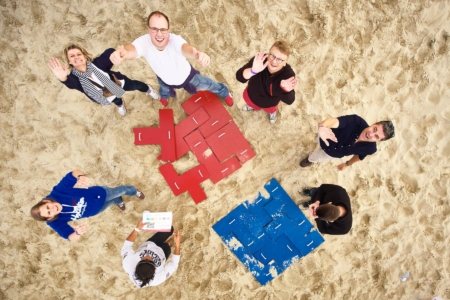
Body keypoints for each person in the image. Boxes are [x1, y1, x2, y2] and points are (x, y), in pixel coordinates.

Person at [109, 11, 233, 107]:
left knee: (209, 85)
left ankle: (225, 92)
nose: (159, 34)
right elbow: (133, 49)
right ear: (148, 29)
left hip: (189, 78)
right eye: (154, 29)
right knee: (163, 90)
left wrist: (196, 54)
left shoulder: (175, 40)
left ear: (168, 30)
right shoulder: (144, 42)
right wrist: (124, 52)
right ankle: (164, 97)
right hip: (164, 80)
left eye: (163, 30)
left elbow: (185, 48)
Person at [30, 169, 145, 241]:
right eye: (49, 213)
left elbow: (74, 173)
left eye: (48, 207)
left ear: (46, 201)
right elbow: (69, 237)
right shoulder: (55, 222)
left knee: (122, 190)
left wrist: (81, 177)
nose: (53, 209)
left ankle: (134, 191)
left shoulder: (58, 192)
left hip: (100, 193)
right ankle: (118, 201)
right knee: (111, 202)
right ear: (49, 218)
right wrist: (78, 232)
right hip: (94, 210)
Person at [47, 44, 159, 116]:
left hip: (117, 84)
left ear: (85, 56)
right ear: (69, 61)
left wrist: (116, 54)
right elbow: (69, 83)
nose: (76, 57)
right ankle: (120, 105)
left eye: (78, 54)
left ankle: (149, 90)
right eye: (72, 56)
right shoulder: (75, 79)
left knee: (136, 86)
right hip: (104, 96)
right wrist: (62, 77)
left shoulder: (98, 64)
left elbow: (110, 53)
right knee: (116, 100)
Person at [299, 115, 395, 170]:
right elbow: (333, 121)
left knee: (316, 157)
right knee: (317, 139)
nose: (371, 134)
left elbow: (359, 156)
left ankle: (310, 159)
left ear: (379, 141)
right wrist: (322, 127)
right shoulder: (355, 121)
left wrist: (347, 164)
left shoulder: (370, 149)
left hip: (331, 154)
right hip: (324, 138)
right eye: (374, 129)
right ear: (374, 123)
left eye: (376, 136)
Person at [236, 41, 298, 124]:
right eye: (272, 55)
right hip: (251, 96)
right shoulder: (259, 60)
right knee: (251, 104)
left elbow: (290, 101)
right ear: (268, 54)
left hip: (270, 104)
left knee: (271, 110)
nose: (274, 61)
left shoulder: (288, 74)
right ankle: (252, 107)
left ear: (285, 62)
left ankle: (272, 113)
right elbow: (239, 77)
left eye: (280, 59)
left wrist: (285, 90)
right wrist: (253, 71)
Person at [121, 219, 181, 288]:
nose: (148, 255)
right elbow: (173, 264)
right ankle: (169, 243)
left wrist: (137, 229)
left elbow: (126, 247)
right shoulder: (158, 279)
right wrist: (177, 245)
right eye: (151, 260)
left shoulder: (127, 264)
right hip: (163, 254)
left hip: (151, 243)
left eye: (143, 259)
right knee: (167, 246)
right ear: (155, 270)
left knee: (170, 229)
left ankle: (169, 242)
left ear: (135, 268)